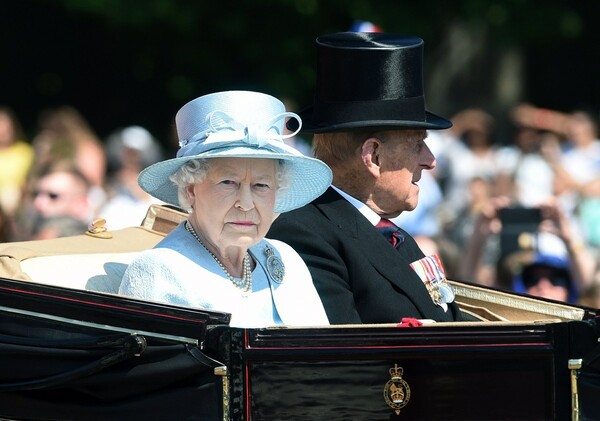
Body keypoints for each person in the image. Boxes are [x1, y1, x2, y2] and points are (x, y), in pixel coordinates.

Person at [267, 32, 472, 324]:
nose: (430, 160)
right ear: (373, 156)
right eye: (418, 144)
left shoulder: (390, 234)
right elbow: (344, 355)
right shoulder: (305, 236)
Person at [119, 90, 332, 328]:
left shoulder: (286, 259)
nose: (247, 203)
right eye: (228, 183)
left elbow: (325, 356)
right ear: (191, 189)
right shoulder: (159, 271)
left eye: (261, 185)